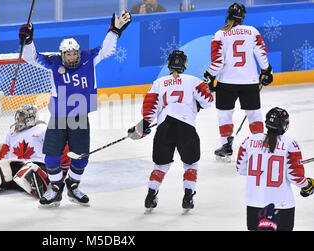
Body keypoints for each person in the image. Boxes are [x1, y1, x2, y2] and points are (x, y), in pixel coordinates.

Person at [18, 10, 131, 208]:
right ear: (62, 55)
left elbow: (106, 51)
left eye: (74, 53)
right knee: (51, 156)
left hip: (80, 116)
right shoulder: (53, 62)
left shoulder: (88, 59)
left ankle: (72, 185)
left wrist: (114, 31)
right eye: (68, 54)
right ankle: (55, 188)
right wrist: (28, 42)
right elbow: (32, 58)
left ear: (79, 53)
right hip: (59, 117)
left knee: (81, 156)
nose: (72, 57)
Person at [128, 50, 214, 213]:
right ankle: (188, 196)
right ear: (185, 64)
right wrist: (198, 102)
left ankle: (151, 194)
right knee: (191, 164)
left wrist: (144, 126)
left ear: (169, 64)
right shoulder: (194, 81)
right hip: (187, 127)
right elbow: (208, 101)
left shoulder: (159, 82)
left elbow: (149, 110)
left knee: (160, 165)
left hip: (164, 127)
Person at [203, 3, 273, 161]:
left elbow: (218, 62)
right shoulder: (252, 31)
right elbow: (261, 54)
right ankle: (259, 146)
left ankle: (226, 146)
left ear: (228, 15)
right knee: (254, 113)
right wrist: (266, 71)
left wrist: (209, 76)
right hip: (250, 81)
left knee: (225, 114)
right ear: (243, 17)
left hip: (227, 82)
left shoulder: (220, 34)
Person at [0, 104, 71, 198]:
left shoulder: (42, 129)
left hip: (38, 165)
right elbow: (4, 152)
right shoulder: (12, 131)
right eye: (18, 116)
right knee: (0, 168)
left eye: (21, 116)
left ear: (29, 117)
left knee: (31, 169)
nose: (18, 119)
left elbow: (62, 150)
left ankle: (40, 184)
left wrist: (62, 173)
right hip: (15, 168)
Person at [236, 107, 314, 231]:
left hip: (254, 203)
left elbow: (240, 168)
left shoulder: (249, 141)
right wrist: (307, 184)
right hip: (281, 205)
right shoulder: (290, 144)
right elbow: (296, 177)